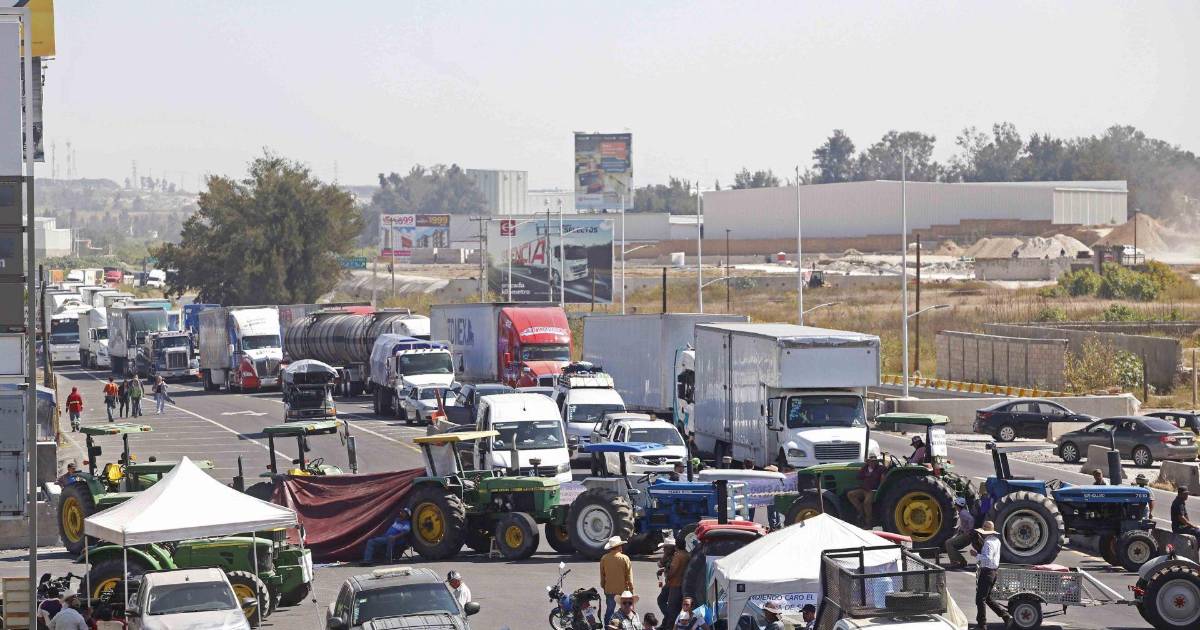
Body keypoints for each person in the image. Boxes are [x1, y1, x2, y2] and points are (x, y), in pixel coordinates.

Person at [970, 521, 1011, 630]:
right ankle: (1005, 615)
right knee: (986, 598)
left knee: (980, 599)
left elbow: (987, 558)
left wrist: (976, 555)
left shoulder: (988, 543)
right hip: (993, 572)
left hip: (987, 572)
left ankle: (982, 624)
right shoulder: (996, 540)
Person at [601, 536, 634, 624]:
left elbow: (602, 577)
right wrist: (631, 589)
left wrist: (604, 587)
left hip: (609, 589)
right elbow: (629, 577)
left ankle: (608, 627)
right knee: (625, 610)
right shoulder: (625, 558)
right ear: (619, 547)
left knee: (610, 610)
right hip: (622, 591)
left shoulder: (604, 558)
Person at [847, 455, 883, 527]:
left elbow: (882, 479)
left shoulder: (880, 469)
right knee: (850, 494)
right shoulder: (865, 468)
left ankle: (868, 522)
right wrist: (865, 473)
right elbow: (858, 476)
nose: (872, 463)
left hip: (873, 490)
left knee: (866, 503)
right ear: (868, 462)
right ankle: (861, 511)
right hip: (863, 489)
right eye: (871, 461)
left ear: (876, 462)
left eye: (874, 461)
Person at [661, 537, 689, 629]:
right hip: (683, 585)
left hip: (675, 584)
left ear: (676, 546)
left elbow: (673, 570)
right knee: (678, 608)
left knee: (672, 608)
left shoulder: (678, 556)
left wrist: (668, 577)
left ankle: (670, 626)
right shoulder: (687, 555)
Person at [944, 496, 975, 569]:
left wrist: (970, 530)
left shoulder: (963, 513)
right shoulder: (962, 512)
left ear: (957, 505)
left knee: (948, 543)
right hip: (964, 534)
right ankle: (958, 561)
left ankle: (958, 562)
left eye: (955, 504)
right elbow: (964, 523)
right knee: (950, 544)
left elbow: (971, 519)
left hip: (966, 535)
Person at [656, 537, 676, 625]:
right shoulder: (670, 556)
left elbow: (661, 565)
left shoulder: (674, 557)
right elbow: (661, 565)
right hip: (670, 583)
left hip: (672, 583)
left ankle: (669, 618)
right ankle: (666, 620)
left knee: (661, 600)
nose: (663, 549)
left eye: (665, 548)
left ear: (670, 548)